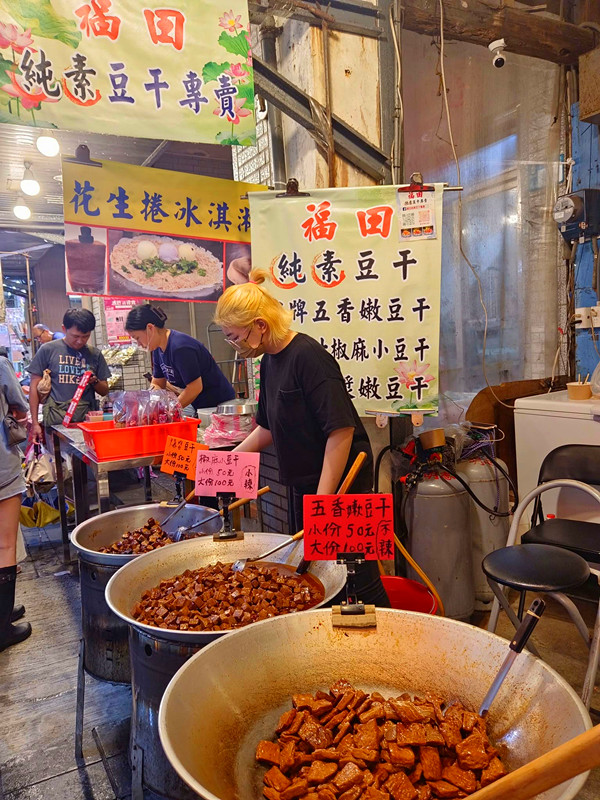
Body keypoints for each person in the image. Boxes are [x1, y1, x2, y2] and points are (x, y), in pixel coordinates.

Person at [214, 269, 390, 607]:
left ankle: (393, 649)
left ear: (260, 326)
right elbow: (266, 427)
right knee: (316, 572)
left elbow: (341, 430)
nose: (235, 347)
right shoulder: (270, 361)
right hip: (306, 482)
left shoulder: (309, 356)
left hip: (342, 483)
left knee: (358, 577)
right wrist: (229, 459)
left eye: (235, 337)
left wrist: (324, 503)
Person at [124, 304, 235, 411]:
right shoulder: (158, 349)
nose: (138, 343)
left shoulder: (180, 347)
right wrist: (150, 404)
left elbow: (194, 388)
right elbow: (157, 383)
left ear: (150, 328)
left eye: (138, 338)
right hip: (200, 406)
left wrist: (169, 411)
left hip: (220, 405)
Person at [28, 308, 111, 440]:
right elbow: (34, 386)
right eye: (76, 336)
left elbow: (104, 390)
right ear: (64, 329)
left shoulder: (94, 354)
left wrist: (94, 381)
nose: (80, 341)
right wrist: (35, 423)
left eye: (85, 336)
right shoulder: (48, 350)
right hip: (56, 423)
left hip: (85, 423)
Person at [0, 355, 31, 651]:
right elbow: (19, 405)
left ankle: (3, 612)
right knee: (4, 545)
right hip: (1, 470)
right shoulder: (0, 364)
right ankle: (2, 629)